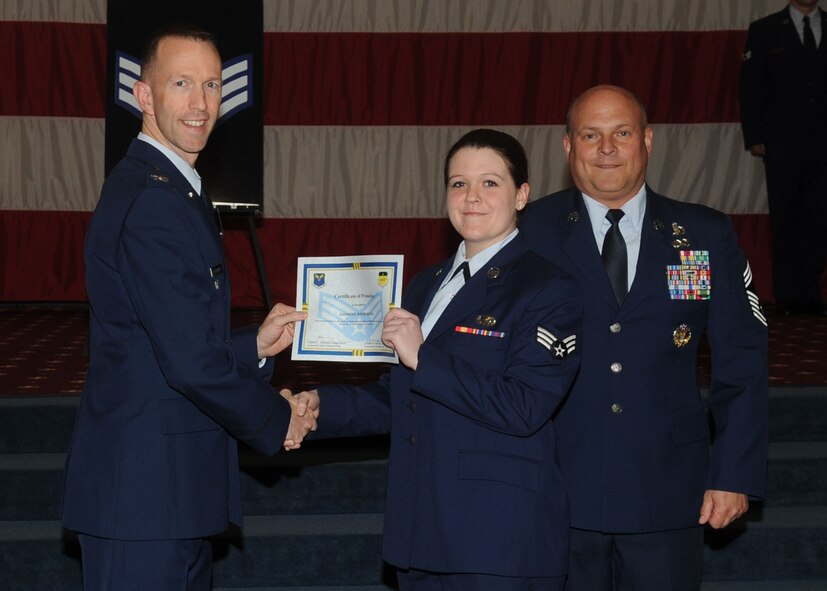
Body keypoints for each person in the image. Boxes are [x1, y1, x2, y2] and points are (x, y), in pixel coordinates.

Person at [61, 24, 314, 591]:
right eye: (181, 83)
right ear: (144, 96)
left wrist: (253, 344)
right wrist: (278, 420)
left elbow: (163, 342)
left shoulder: (172, 188)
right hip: (145, 499)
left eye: (212, 85)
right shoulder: (154, 200)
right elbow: (190, 364)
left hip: (163, 495)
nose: (201, 104)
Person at [288, 129, 582, 590]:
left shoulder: (549, 289)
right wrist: (320, 407)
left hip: (498, 542)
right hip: (421, 532)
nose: (471, 198)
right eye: (458, 183)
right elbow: (398, 397)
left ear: (522, 195)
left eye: (490, 183)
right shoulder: (426, 285)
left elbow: (524, 406)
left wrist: (424, 357)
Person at [520, 85, 769, 591]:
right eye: (591, 135)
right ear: (568, 148)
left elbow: (741, 361)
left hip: (669, 486)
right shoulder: (529, 231)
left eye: (622, 133)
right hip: (555, 484)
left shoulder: (703, 234)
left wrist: (734, 472)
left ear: (648, 140)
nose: (607, 148)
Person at [739, 0, 827, 316]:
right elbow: (751, 86)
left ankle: (811, 295)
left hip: (823, 144)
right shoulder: (765, 30)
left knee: (819, 220)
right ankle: (789, 296)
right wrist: (756, 136)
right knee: (786, 219)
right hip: (782, 144)